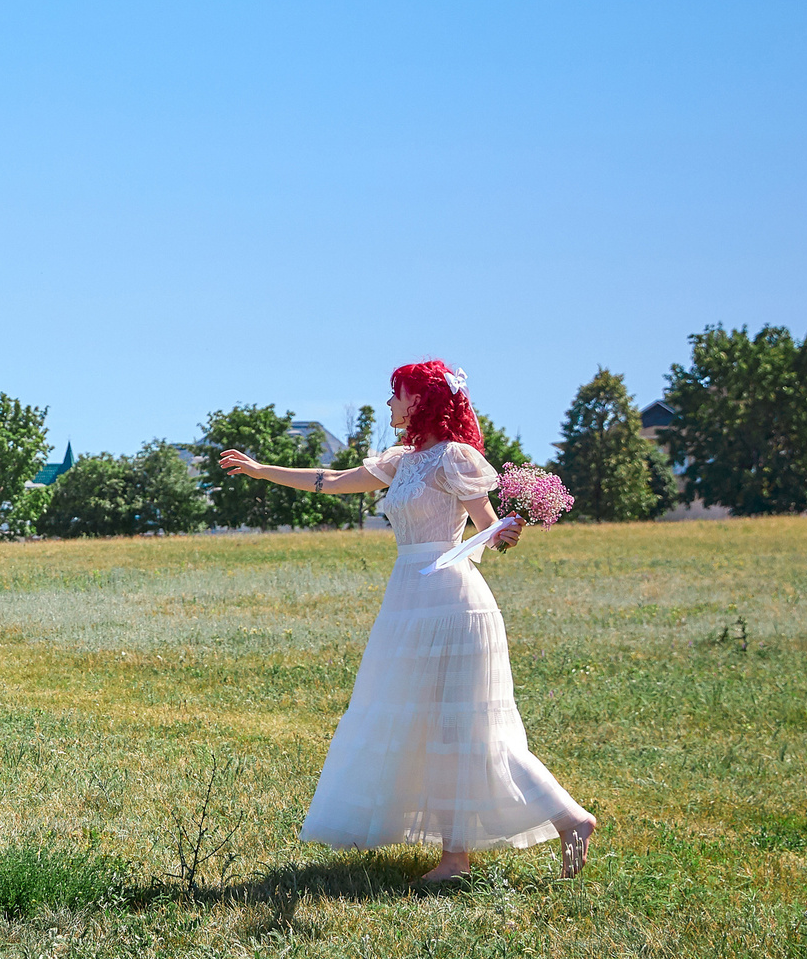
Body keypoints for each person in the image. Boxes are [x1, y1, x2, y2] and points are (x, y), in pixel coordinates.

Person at [220, 360, 597, 883]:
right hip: (410, 599)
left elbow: (486, 525)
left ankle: (566, 820)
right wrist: (263, 471)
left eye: (396, 395)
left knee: (466, 728)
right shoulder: (404, 460)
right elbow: (329, 481)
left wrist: (505, 531)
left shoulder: (455, 457)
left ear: (421, 400)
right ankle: (457, 859)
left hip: (453, 601)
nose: (390, 404)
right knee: (433, 728)